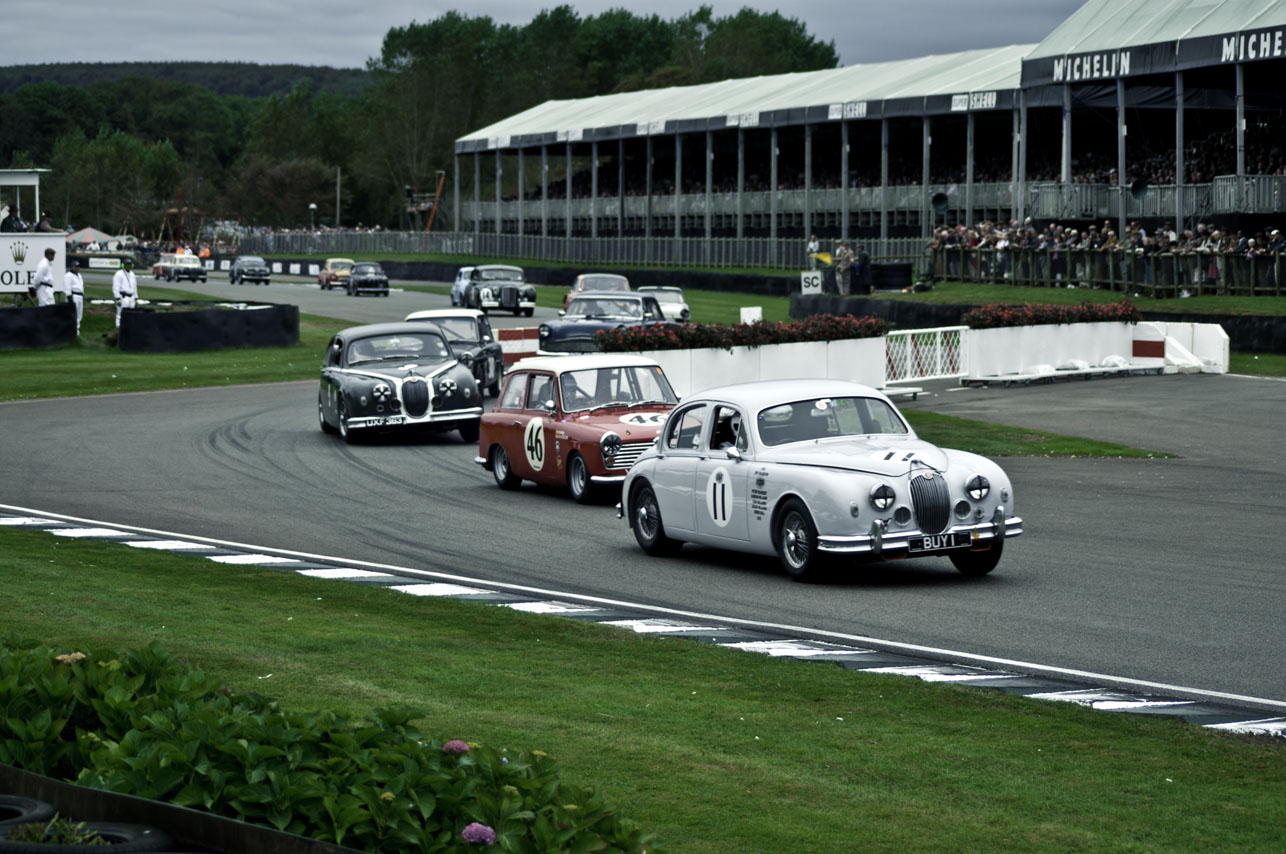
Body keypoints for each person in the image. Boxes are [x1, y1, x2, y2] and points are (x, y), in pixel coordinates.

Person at [112, 257, 138, 327]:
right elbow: (115, 287)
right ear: (123, 265)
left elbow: (134, 287)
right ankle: (118, 328)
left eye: (129, 264)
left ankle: (129, 328)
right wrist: (117, 298)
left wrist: (136, 298)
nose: (128, 266)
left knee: (131, 314)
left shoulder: (132, 274)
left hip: (131, 298)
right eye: (126, 264)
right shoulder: (119, 274)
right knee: (120, 314)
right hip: (123, 297)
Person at [64, 259, 85, 335]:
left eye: (78, 266)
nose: (77, 268)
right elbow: (67, 288)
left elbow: (81, 287)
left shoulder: (79, 275)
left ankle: (76, 332)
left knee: (79, 315)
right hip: (74, 295)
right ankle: (70, 332)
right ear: (72, 266)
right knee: (72, 315)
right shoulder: (68, 275)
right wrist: (70, 298)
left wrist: (83, 297)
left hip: (80, 296)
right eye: (75, 266)